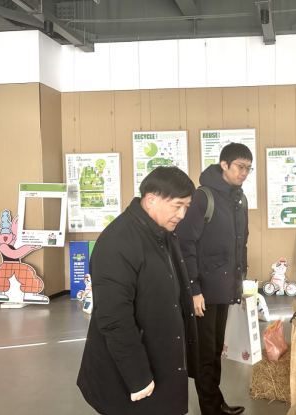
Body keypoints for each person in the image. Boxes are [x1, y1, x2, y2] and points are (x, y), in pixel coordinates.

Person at [77, 166, 198, 415]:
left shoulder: (160, 231)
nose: (182, 214)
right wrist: (138, 376)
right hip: (130, 368)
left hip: (160, 354)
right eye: (177, 206)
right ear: (151, 199)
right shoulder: (118, 242)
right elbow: (113, 318)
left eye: (186, 206)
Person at [177, 143, 251, 415]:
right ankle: (211, 408)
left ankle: (215, 402)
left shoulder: (239, 199)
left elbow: (240, 244)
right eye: (240, 166)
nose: (244, 173)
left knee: (216, 349)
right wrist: (194, 289)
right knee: (205, 353)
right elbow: (185, 244)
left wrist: (240, 283)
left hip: (225, 288)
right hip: (204, 292)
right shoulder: (203, 197)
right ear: (224, 165)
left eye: (248, 168)